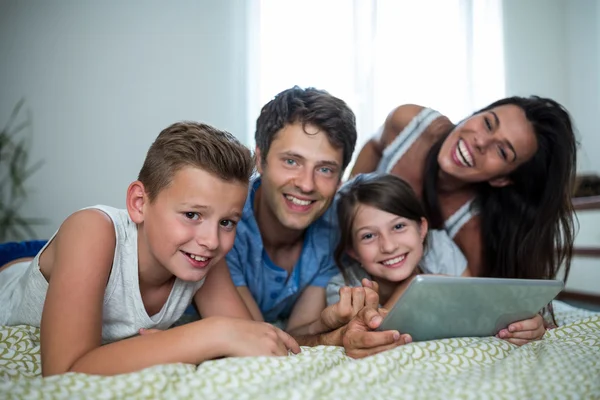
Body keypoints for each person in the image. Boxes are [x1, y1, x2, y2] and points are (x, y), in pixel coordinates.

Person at [0, 122, 300, 376]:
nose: (211, 240)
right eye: (192, 214)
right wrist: (205, 334)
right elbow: (64, 371)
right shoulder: (90, 230)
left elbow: (250, 340)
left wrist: (216, 337)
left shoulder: (203, 255)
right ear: (139, 203)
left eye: (227, 222)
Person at [223, 86, 410, 355]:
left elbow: (296, 332)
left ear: (341, 178)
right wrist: (326, 335)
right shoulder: (226, 223)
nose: (307, 184)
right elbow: (254, 336)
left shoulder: (334, 226)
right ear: (260, 160)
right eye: (291, 161)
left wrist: (331, 325)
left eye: (324, 169)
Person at [351, 97, 577, 282]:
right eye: (488, 123)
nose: (481, 142)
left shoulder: (471, 229)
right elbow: (374, 145)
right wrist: (347, 200)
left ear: (502, 179)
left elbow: (472, 297)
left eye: (502, 152)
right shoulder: (408, 123)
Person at [324, 172, 546, 346]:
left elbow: (480, 309)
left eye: (399, 226)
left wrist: (525, 324)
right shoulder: (345, 290)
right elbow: (369, 339)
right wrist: (409, 289)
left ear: (422, 229)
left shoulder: (440, 249)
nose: (389, 246)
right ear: (353, 251)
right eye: (369, 236)